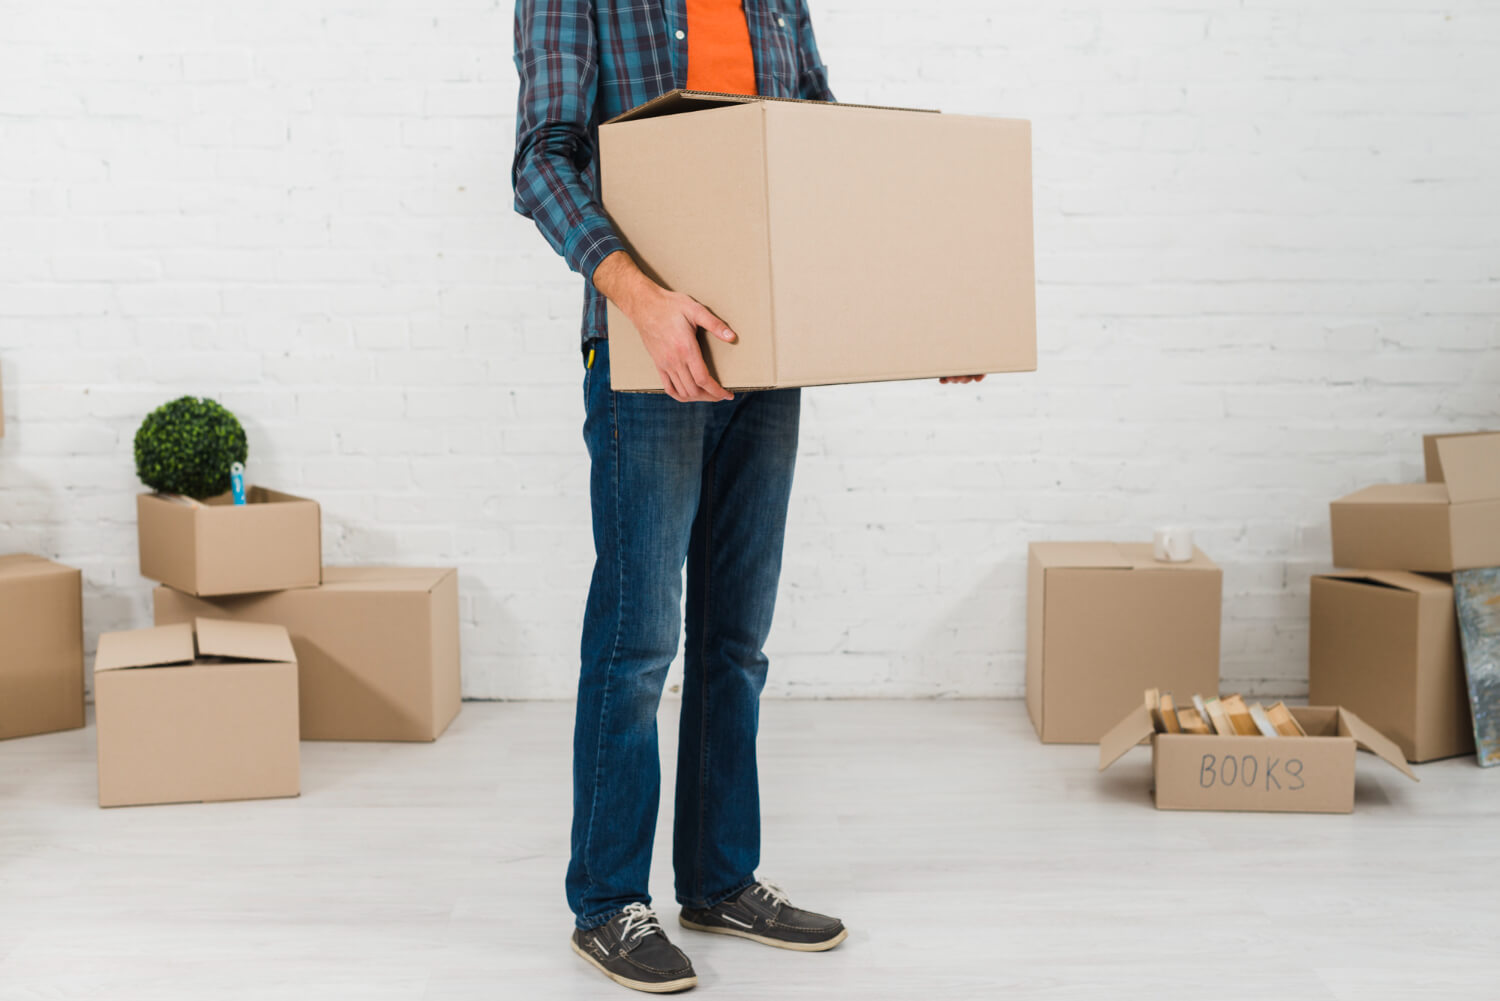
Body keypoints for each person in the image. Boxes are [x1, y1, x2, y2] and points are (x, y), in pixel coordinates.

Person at [512, 0, 983, 993]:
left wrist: (930, 304)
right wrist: (643, 300)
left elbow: (826, 155)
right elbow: (544, 160)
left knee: (737, 638)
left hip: (770, 354)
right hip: (646, 352)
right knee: (639, 638)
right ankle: (606, 900)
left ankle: (720, 878)